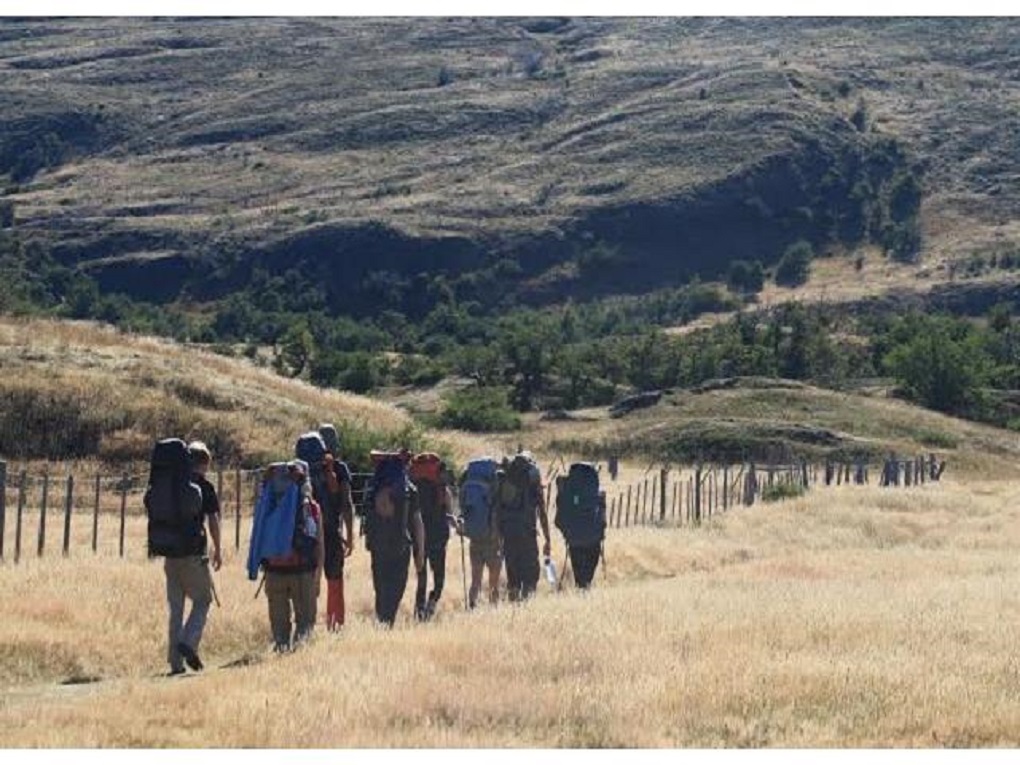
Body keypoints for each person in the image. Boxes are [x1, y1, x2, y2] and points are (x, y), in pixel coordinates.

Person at [160, 440, 222, 676]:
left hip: (169, 554)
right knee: (203, 600)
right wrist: (218, 548)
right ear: (204, 463)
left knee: (175, 608)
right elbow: (213, 520)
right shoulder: (204, 487)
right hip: (194, 554)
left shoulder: (172, 485)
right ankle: (188, 641)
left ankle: (175, 663)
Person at [262, 460, 324, 651]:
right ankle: (299, 658)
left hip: (273, 571)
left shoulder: (268, 504)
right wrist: (317, 576)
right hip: (301, 571)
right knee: (305, 623)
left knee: (279, 628)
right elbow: (318, 544)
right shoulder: (311, 507)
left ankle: (280, 653)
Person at [365, 451, 425, 627]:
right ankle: (388, 621)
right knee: (396, 586)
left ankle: (382, 620)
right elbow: (417, 522)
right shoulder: (409, 490)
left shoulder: (373, 487)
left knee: (381, 588)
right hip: (401, 546)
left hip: (378, 546)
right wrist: (419, 553)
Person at [496, 452, 551, 603]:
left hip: (508, 535)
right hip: (527, 534)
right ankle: (526, 606)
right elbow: (542, 513)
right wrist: (547, 539)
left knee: (513, 577)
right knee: (531, 575)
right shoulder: (532, 483)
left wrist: (500, 536)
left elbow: (499, 511)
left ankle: (514, 607)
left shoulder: (506, 480)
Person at [410, 455, 454, 621]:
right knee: (439, 580)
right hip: (438, 540)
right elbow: (449, 514)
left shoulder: (415, 488)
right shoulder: (442, 489)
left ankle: (419, 612)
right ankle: (430, 607)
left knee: (421, 579)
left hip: (419, 539)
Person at [319, 428, 355, 631]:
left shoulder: (303, 468)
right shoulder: (339, 469)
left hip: (305, 534)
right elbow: (347, 505)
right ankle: (335, 624)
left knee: (302, 581)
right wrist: (350, 536)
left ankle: (303, 624)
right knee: (334, 581)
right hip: (332, 534)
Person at [456, 457, 502, 609]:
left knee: (476, 579)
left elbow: (463, 510)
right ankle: (493, 608)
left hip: (474, 539)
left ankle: (471, 606)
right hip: (491, 539)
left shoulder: (467, 487)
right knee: (494, 582)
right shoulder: (493, 484)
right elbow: (496, 510)